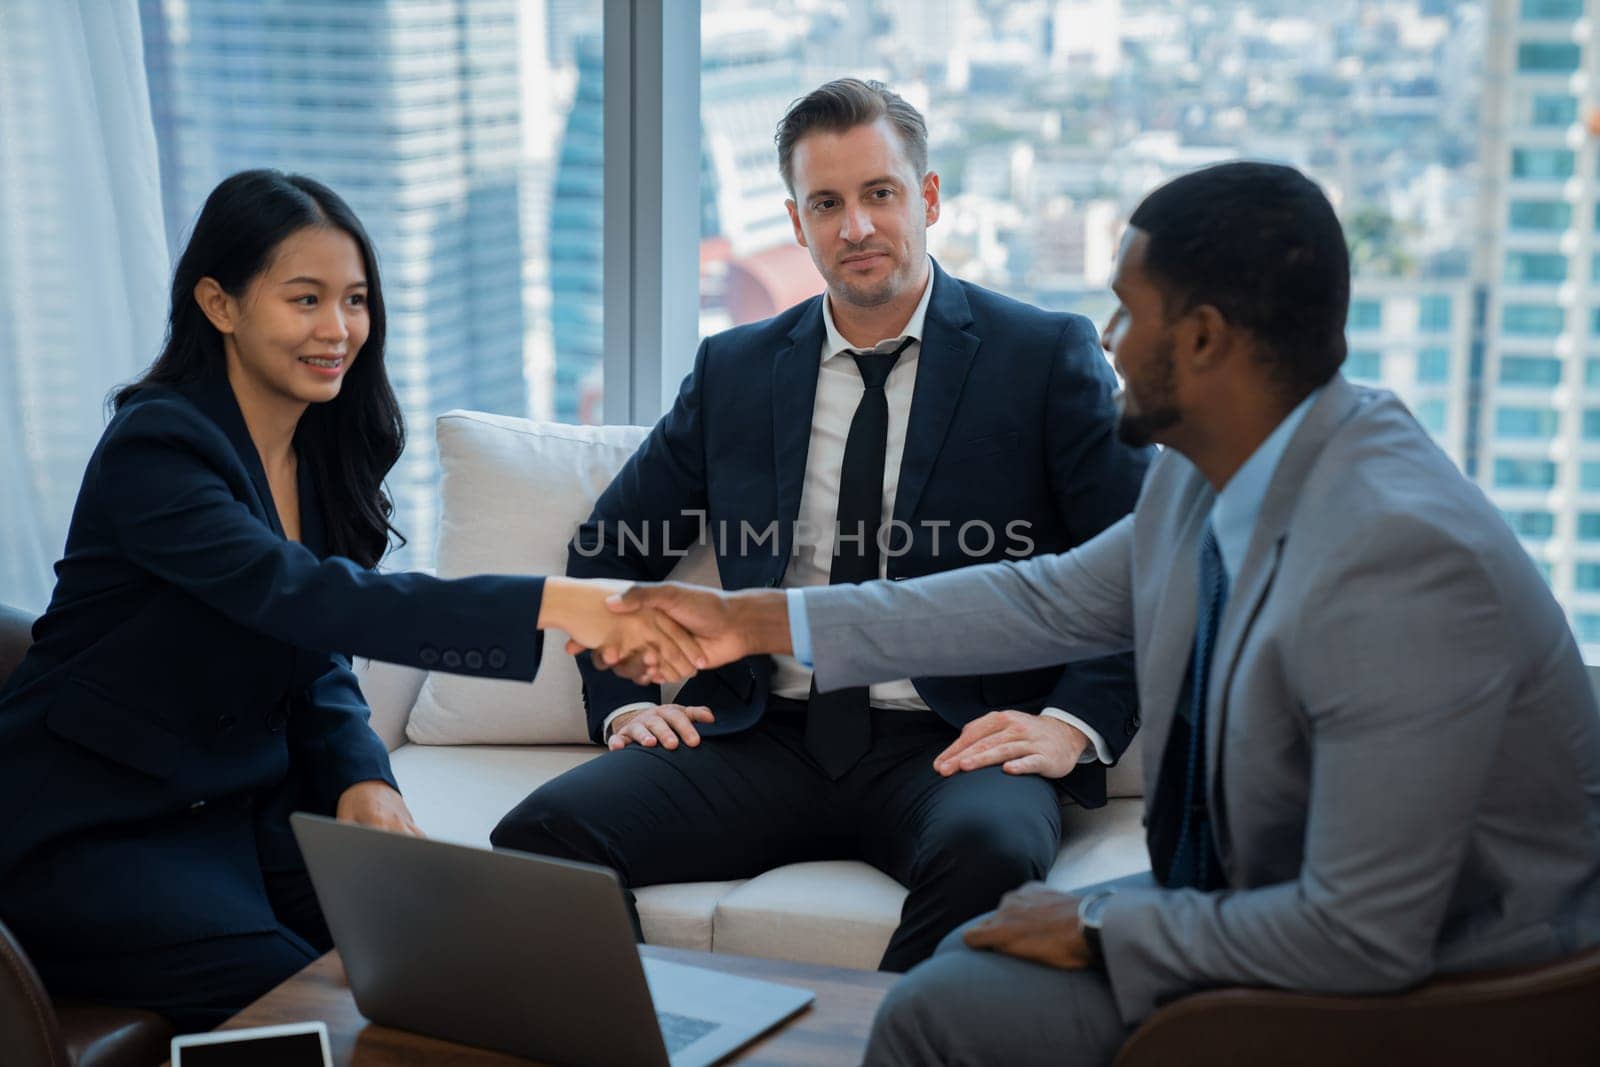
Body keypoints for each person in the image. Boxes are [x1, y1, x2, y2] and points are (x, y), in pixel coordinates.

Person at [597, 161, 1600, 1065]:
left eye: (1128, 314)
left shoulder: (1399, 560)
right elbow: (1043, 596)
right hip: (1269, 908)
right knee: (954, 971)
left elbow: (1362, 937)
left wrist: (1098, 928)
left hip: (1455, 984)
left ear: (1202, 337)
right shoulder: (1217, 472)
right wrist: (756, 622)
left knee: (928, 1014)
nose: (1108, 341)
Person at [0, 169, 700, 1031]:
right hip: (96, 832)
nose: (338, 330)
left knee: (470, 961)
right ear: (219, 303)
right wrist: (553, 602)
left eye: (355, 300)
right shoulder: (156, 447)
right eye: (305, 299)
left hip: (241, 814)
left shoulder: (320, 453)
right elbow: (300, 599)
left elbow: (316, 661)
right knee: (332, 1012)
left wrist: (362, 774)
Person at [490, 78, 1151, 971]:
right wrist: (623, 708)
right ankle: (665, 1037)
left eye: (879, 194)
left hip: (954, 741)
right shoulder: (737, 369)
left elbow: (1146, 563)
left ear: (928, 197)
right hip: (764, 732)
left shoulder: (1043, 357)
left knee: (993, 854)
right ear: (797, 224)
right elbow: (611, 548)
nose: (857, 228)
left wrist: (1073, 722)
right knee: (541, 832)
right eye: (827, 204)